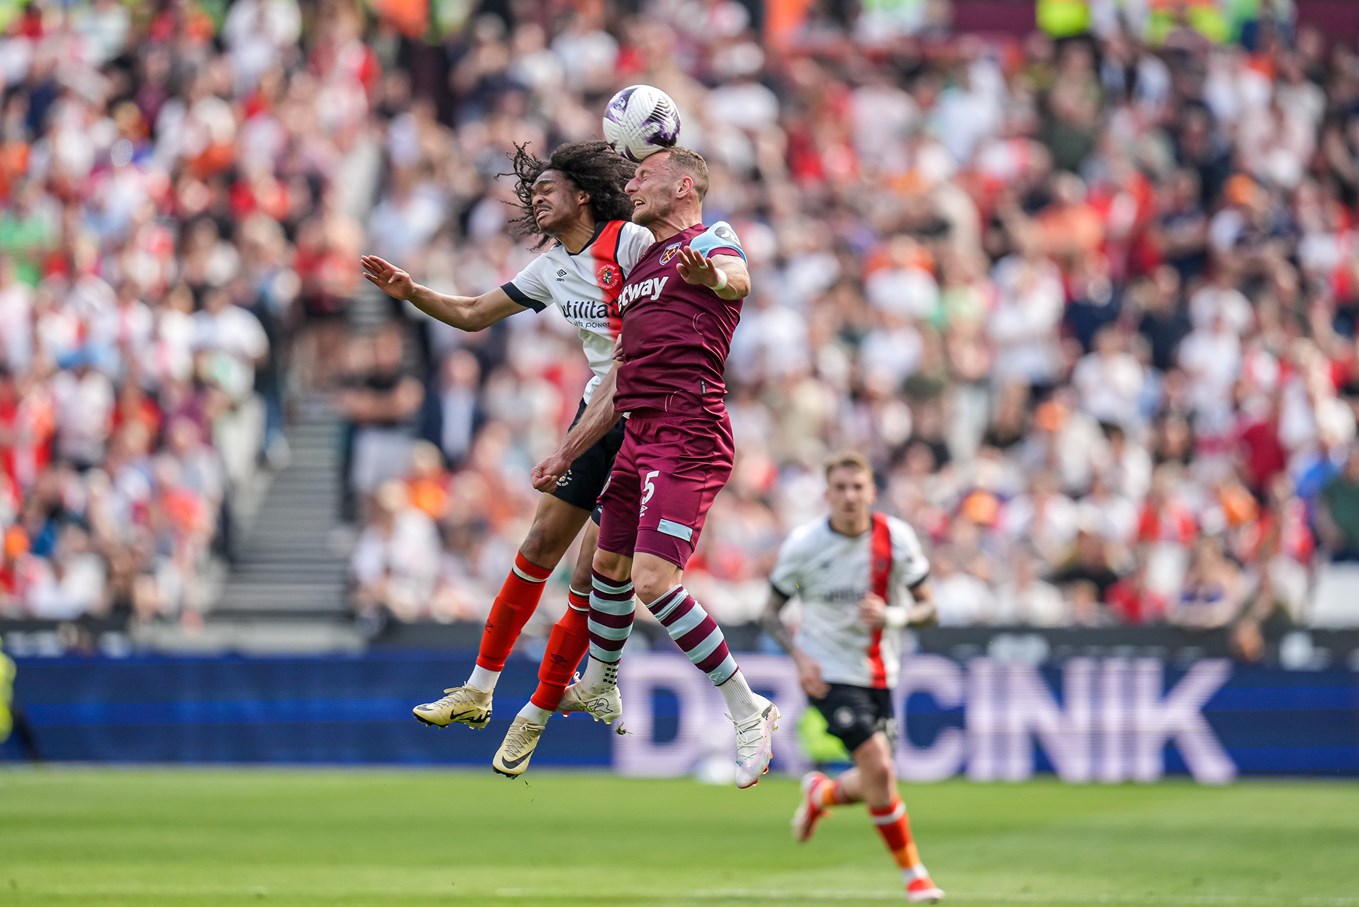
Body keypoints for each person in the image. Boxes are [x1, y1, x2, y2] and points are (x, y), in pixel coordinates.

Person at [360, 141, 653, 775]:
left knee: (592, 574)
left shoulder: (628, 243)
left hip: (643, 418)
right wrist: (412, 292)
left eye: (548, 189)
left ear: (582, 194)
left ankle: (542, 710)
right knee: (537, 546)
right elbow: (471, 314)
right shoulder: (552, 268)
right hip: (594, 413)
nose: (536, 199)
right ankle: (479, 689)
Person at [530, 147, 780, 788]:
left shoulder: (710, 237)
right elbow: (619, 375)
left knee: (650, 581)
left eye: (644, 176)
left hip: (687, 429)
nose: (632, 183)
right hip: (637, 429)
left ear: (684, 186)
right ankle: (602, 685)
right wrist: (568, 450)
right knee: (603, 567)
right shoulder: (639, 263)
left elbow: (737, 279)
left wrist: (715, 279)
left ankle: (747, 709)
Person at [761, 452, 944, 904]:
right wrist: (800, 659)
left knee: (878, 780)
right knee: (880, 766)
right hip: (827, 672)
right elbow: (769, 614)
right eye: (840, 488)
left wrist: (892, 615)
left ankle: (821, 795)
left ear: (871, 492)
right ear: (827, 495)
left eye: (857, 487)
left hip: (880, 672)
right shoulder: (805, 544)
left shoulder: (895, 538)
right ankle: (914, 876)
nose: (849, 496)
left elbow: (930, 609)